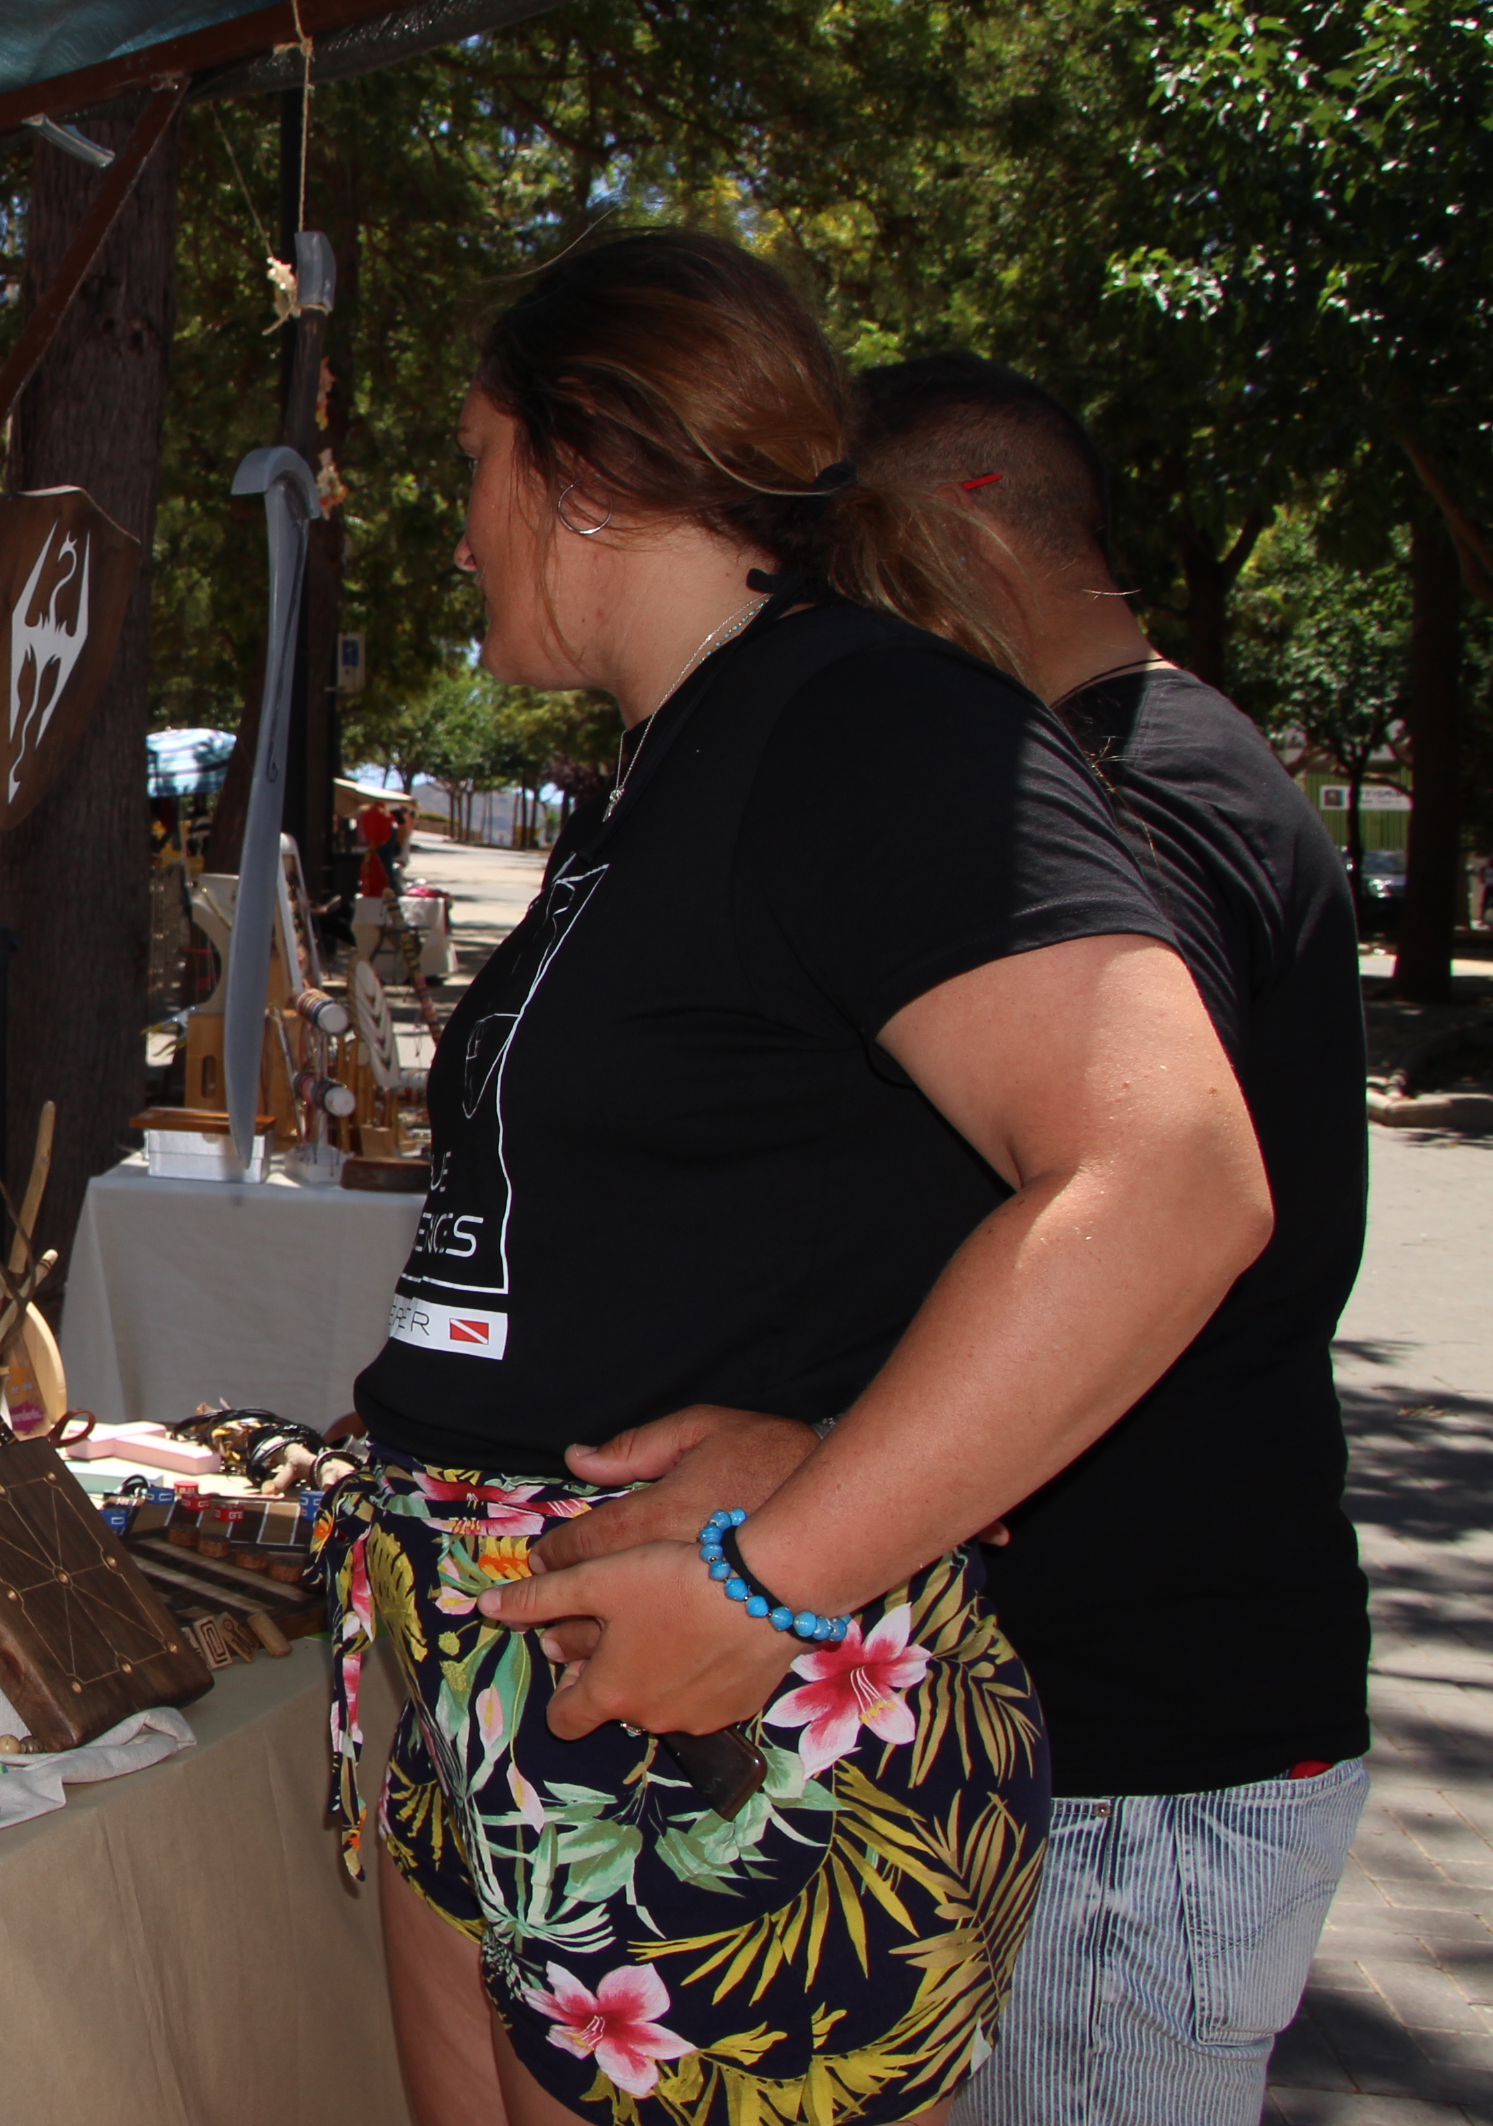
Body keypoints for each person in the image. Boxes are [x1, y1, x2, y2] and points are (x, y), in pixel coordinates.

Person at [326, 232, 1271, 2126]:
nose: (454, 533)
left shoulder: (862, 720)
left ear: (580, 467)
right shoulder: (679, 764)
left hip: (722, 1725)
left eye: (469, 466)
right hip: (521, 1672)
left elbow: (1169, 1174)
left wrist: (781, 1563)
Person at [528, 354, 1369, 2125]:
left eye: (846, 557)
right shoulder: (1145, 763)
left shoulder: (1129, 804)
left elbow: (1134, 1206)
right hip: (1130, 1715)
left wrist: (822, 1492)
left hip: (1139, 1747)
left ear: (965, 527)